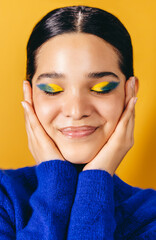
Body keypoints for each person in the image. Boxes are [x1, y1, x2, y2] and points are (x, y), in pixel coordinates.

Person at [0, 5, 155, 239]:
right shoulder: (5, 196)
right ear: (29, 94)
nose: (76, 110)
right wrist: (55, 183)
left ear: (129, 91)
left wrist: (96, 180)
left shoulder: (149, 214)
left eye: (101, 88)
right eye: (52, 90)